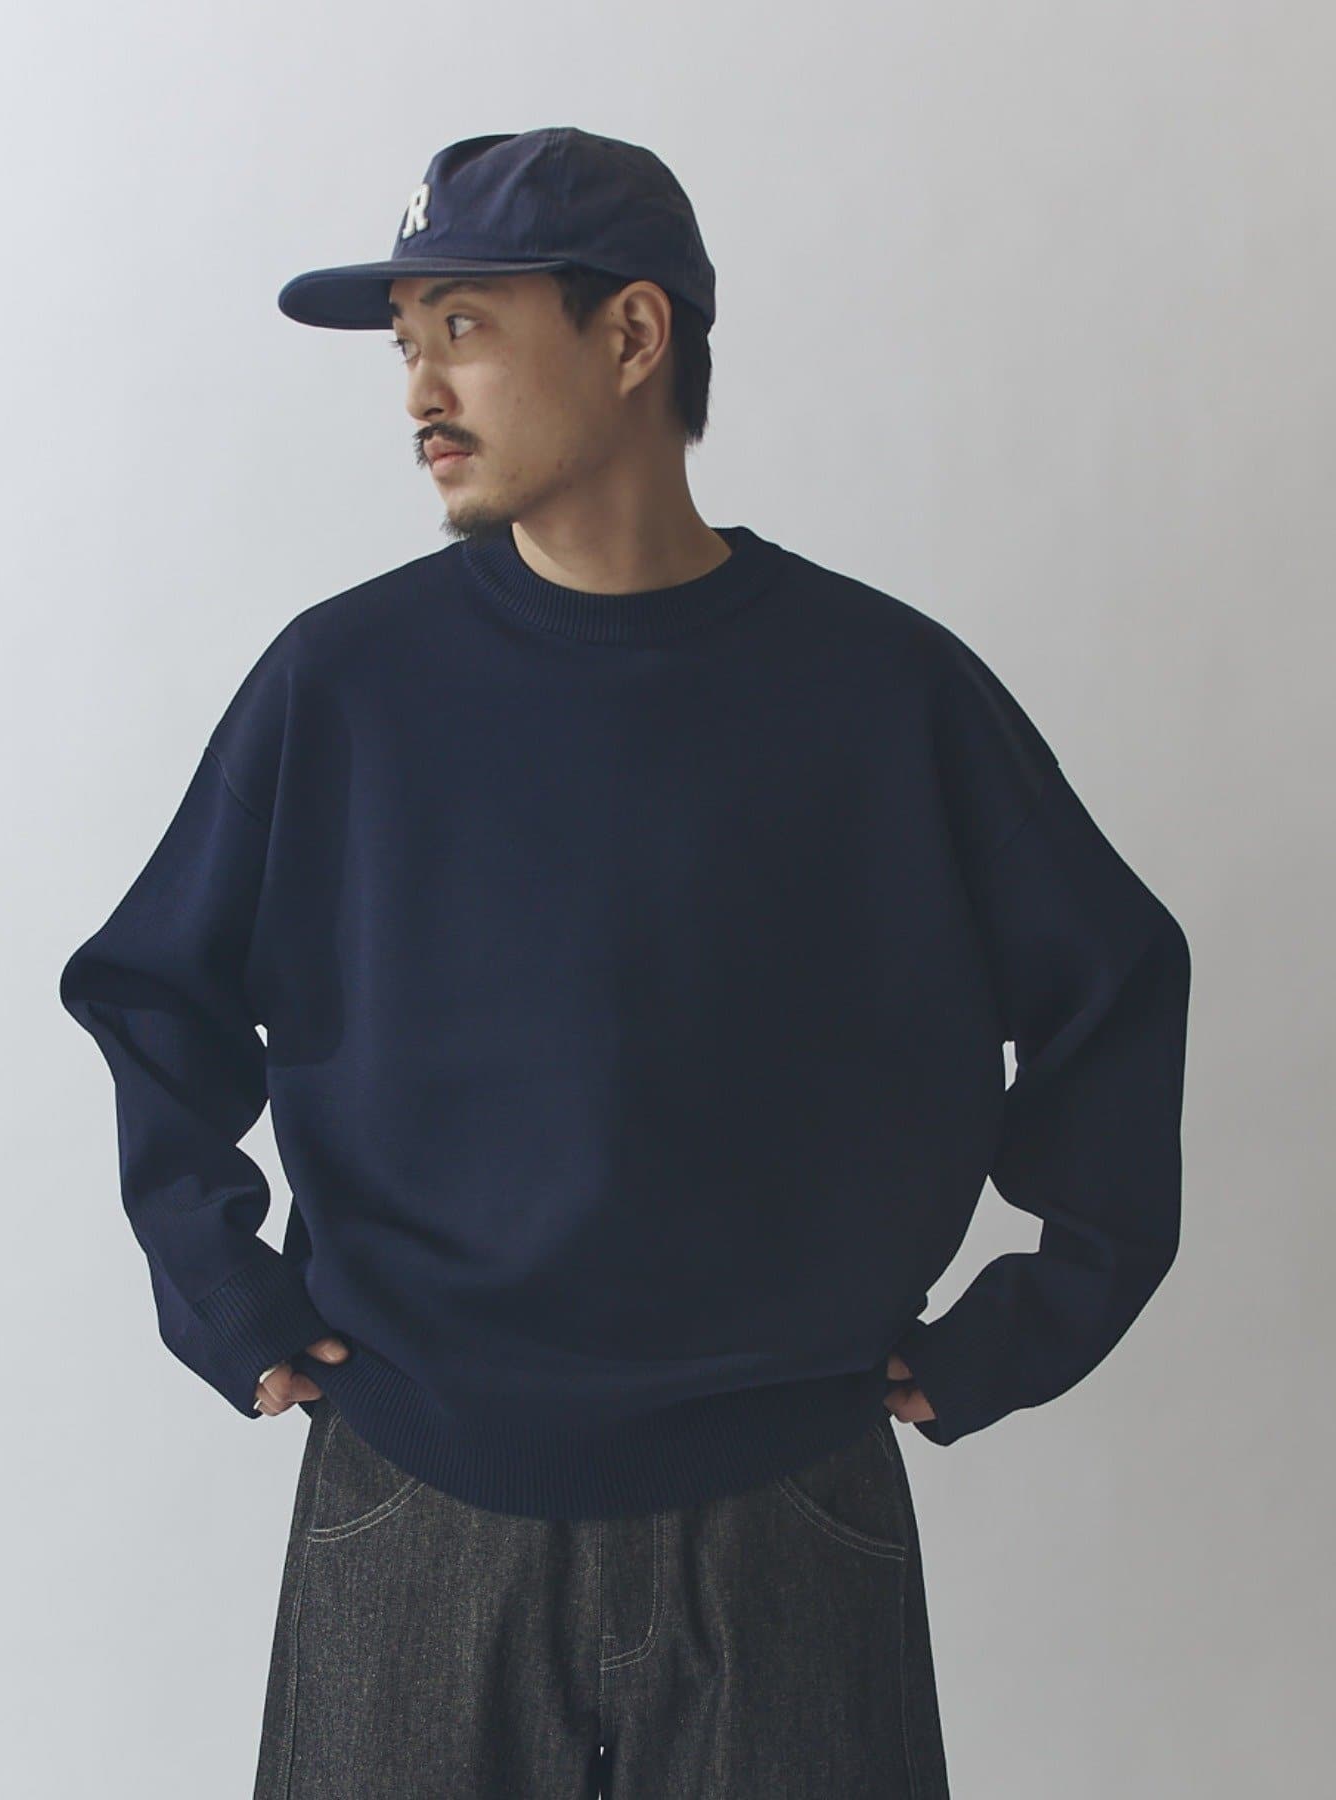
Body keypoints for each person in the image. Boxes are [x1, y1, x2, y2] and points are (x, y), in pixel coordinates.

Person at [59, 127, 1191, 1799]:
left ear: (634, 334)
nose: (419, 391)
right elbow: (152, 987)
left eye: (463, 327)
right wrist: (225, 1292)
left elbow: (1116, 981)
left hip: (786, 1506)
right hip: (416, 1492)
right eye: (406, 343)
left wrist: (1019, 1333)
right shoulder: (345, 686)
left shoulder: (882, 692)